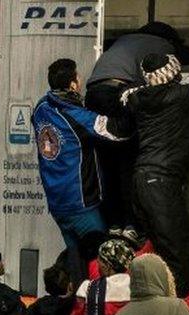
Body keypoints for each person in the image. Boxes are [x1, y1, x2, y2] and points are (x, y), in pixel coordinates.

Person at [85, 22, 189, 235]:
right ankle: (131, 224)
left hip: (93, 93)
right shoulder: (163, 45)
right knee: (128, 159)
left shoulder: (125, 40)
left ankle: (113, 223)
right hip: (118, 92)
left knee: (107, 162)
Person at [121, 53, 189, 297]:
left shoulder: (137, 98)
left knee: (155, 248)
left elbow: (128, 93)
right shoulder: (178, 97)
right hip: (161, 182)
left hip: (142, 180)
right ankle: (181, 309)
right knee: (178, 252)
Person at [32, 58, 131, 249]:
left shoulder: (41, 108)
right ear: (72, 84)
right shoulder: (78, 118)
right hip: (81, 205)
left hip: (57, 204)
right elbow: (119, 132)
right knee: (98, 261)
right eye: (78, 77)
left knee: (76, 265)